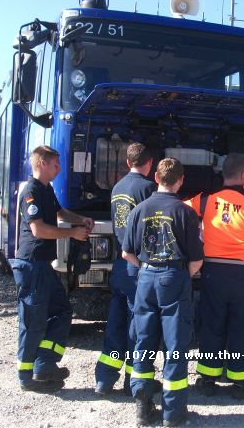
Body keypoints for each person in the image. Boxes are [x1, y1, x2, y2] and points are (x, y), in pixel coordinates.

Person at [188, 153, 244, 400]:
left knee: (212, 324)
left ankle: (207, 379)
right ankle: (240, 382)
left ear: (223, 174)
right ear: (243, 175)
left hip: (213, 273)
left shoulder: (205, 201)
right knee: (242, 326)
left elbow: (179, 208)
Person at [122, 157, 203, 427]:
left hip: (145, 278)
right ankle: (173, 413)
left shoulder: (139, 210)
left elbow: (126, 252)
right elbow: (196, 260)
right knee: (175, 345)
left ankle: (143, 408)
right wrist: (179, 276)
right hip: (175, 276)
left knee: (144, 341)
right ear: (181, 181)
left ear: (156, 177)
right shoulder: (186, 213)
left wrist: (147, 269)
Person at [10, 145, 94, 393]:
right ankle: (26, 377)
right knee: (33, 322)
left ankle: (45, 363)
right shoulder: (31, 193)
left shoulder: (47, 190)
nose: (59, 169)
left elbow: (60, 212)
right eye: (56, 164)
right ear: (42, 164)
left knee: (62, 311)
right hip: (31, 265)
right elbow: (39, 230)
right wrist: (72, 234)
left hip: (43, 266)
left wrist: (80, 220)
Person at [95, 142, 156, 396]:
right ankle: (135, 381)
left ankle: (104, 379)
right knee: (138, 325)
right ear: (149, 164)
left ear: (127, 162)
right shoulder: (148, 189)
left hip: (120, 265)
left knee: (116, 322)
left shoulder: (117, 187)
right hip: (138, 267)